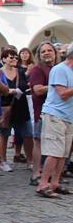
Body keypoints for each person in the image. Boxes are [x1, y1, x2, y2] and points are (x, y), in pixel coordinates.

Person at [36, 42, 73, 198]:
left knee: (63, 154)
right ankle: (43, 184)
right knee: (53, 152)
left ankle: (55, 183)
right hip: (55, 115)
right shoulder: (60, 70)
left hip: (68, 117)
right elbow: (63, 94)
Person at [0, 47, 30, 172]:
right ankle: (2, 160)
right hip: (5, 106)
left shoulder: (20, 71)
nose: (14, 59)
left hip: (20, 105)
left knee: (28, 134)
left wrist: (20, 89)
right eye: (11, 57)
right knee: (4, 133)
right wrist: (11, 91)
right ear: (4, 59)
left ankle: (30, 161)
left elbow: (26, 85)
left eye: (16, 57)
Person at [28, 41, 57, 186]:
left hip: (56, 113)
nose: (46, 53)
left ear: (54, 53)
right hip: (41, 111)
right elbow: (37, 90)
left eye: (49, 50)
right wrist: (56, 85)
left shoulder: (57, 68)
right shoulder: (37, 70)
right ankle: (35, 174)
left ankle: (51, 173)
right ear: (39, 55)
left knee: (52, 145)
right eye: (43, 51)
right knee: (38, 142)